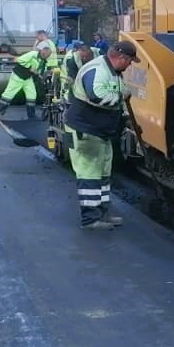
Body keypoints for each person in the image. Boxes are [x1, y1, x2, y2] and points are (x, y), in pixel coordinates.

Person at [63, 39, 135, 230]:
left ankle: (103, 212)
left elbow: (116, 100)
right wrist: (121, 97)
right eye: (129, 61)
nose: (130, 65)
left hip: (101, 132)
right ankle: (90, 219)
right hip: (85, 130)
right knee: (89, 174)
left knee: (103, 173)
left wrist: (125, 118)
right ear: (121, 57)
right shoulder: (97, 70)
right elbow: (95, 95)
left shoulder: (114, 73)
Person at [0, 40, 53, 120]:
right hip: (18, 76)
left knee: (32, 94)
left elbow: (39, 71)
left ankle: (31, 115)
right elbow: (19, 60)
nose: (47, 57)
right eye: (47, 55)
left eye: (48, 55)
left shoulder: (43, 61)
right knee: (9, 94)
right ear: (43, 52)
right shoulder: (33, 54)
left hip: (27, 78)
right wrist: (30, 67)